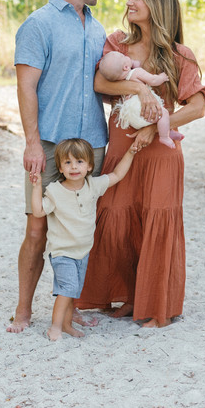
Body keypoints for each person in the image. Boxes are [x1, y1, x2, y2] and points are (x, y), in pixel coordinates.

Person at [76, 0, 205, 328]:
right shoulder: (117, 44)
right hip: (122, 147)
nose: (129, 2)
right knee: (115, 217)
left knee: (156, 222)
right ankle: (129, 297)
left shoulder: (180, 54)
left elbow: (197, 107)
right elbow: (99, 83)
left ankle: (158, 308)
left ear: (157, 5)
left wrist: (156, 127)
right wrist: (139, 87)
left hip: (161, 153)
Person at [6, 0, 109, 333]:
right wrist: (32, 142)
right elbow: (26, 87)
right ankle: (23, 310)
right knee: (37, 229)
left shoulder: (98, 29)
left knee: (80, 228)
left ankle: (70, 307)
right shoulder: (39, 25)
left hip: (91, 143)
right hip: (49, 143)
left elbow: (103, 83)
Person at [30, 138, 137, 341]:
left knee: (71, 292)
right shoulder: (55, 191)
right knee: (67, 290)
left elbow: (117, 175)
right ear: (60, 168)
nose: (74, 167)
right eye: (68, 162)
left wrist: (130, 152)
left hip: (82, 251)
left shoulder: (92, 185)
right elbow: (38, 211)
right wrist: (36, 187)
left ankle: (67, 325)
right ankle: (55, 327)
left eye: (79, 161)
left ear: (89, 166)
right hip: (62, 252)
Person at [97, 50, 183, 149]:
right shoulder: (137, 72)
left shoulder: (120, 81)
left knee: (158, 120)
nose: (126, 56)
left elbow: (131, 66)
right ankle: (164, 137)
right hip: (144, 110)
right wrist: (162, 77)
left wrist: (131, 63)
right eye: (123, 56)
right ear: (126, 67)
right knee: (163, 114)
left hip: (133, 118)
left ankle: (168, 132)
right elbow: (153, 80)